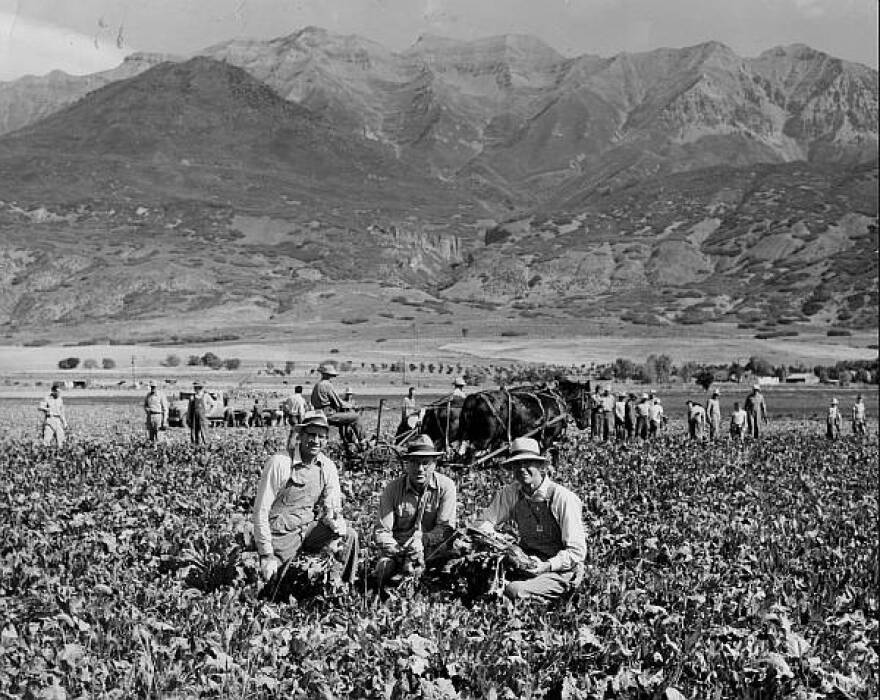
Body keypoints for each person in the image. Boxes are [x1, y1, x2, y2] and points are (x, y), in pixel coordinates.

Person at [252, 411, 359, 589]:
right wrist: (266, 554)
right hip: (280, 536)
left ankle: (342, 588)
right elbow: (261, 510)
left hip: (307, 531)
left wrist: (335, 521)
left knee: (349, 535)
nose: (316, 441)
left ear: (326, 440)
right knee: (268, 586)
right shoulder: (279, 462)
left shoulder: (327, 466)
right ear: (300, 435)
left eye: (321, 437)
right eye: (311, 435)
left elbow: (332, 506)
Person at [472, 437, 586, 602]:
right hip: (526, 562)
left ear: (540, 466)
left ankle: (555, 599)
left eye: (527, 463)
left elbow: (576, 552)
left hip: (560, 570)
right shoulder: (511, 493)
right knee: (478, 578)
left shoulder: (562, 498)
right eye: (517, 464)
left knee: (514, 590)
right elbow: (482, 524)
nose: (522, 469)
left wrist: (546, 566)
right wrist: (504, 544)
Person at [373, 435, 457, 586]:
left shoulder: (446, 487)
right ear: (407, 464)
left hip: (432, 551)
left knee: (449, 572)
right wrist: (401, 552)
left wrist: (422, 541)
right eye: (414, 463)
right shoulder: (392, 489)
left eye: (425, 463)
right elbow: (381, 532)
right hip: (398, 552)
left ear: (434, 464)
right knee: (383, 569)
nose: (420, 469)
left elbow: (445, 529)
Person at [310, 364, 367, 448]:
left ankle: (348, 443)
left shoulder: (317, 385)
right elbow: (339, 403)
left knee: (345, 420)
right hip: (328, 414)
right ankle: (363, 442)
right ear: (328, 375)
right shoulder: (327, 385)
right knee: (356, 417)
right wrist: (352, 406)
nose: (332, 377)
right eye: (331, 375)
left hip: (318, 413)